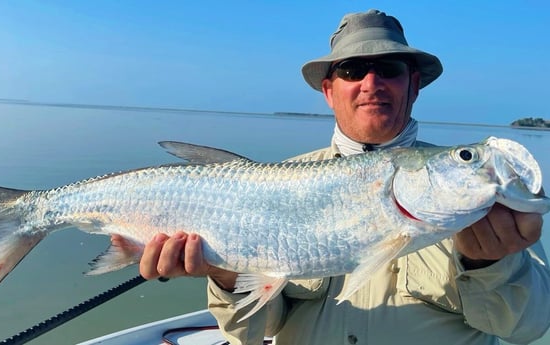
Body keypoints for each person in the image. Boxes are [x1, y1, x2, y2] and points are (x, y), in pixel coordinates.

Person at [139, 9, 550, 345]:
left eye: (389, 68)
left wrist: (489, 263)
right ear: (329, 91)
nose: (371, 83)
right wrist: (226, 275)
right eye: (353, 71)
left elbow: (525, 329)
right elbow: (255, 332)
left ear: (415, 83)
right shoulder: (281, 178)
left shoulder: (487, 207)